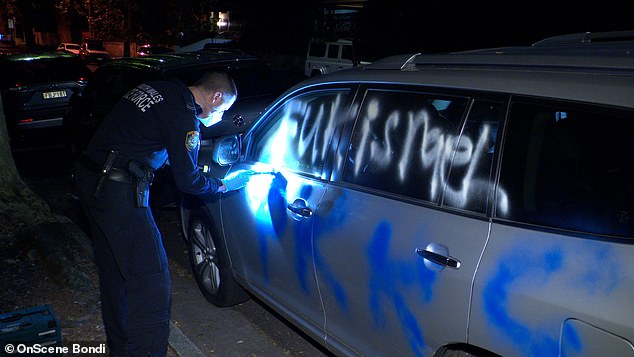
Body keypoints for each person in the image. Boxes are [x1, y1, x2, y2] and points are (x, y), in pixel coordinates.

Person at [74, 71, 253, 356]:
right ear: (216, 97)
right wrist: (222, 184)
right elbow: (187, 181)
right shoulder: (185, 116)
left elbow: (157, 144)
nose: (218, 116)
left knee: (116, 276)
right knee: (152, 282)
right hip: (119, 190)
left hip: (92, 180)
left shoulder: (159, 89)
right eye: (223, 109)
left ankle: (121, 348)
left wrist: (193, 164)